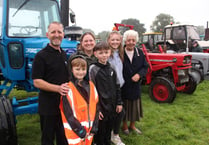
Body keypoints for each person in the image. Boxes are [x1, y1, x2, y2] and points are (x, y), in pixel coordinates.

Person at [32, 21, 69, 145]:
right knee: (48, 139)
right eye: (53, 32)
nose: (56, 35)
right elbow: (37, 81)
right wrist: (58, 88)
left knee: (63, 138)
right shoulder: (41, 56)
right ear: (47, 35)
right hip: (48, 106)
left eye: (59, 32)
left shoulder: (63, 54)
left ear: (63, 35)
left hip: (64, 106)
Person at [59, 55, 99, 145]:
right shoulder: (68, 88)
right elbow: (68, 114)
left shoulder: (91, 85)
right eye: (77, 69)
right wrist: (80, 131)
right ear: (71, 70)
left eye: (83, 69)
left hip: (89, 131)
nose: (81, 72)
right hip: (75, 133)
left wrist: (95, 126)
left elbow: (97, 107)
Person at [89, 41, 123, 145]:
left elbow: (117, 85)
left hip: (112, 106)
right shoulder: (93, 69)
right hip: (101, 107)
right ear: (95, 54)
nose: (104, 55)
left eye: (106, 52)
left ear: (110, 53)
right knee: (100, 132)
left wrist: (119, 102)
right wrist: (97, 109)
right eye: (101, 53)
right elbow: (92, 90)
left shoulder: (112, 67)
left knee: (108, 130)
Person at [121, 30, 148, 135]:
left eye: (133, 40)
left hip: (135, 85)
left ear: (136, 41)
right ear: (125, 41)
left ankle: (132, 125)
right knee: (124, 106)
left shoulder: (139, 52)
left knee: (134, 107)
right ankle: (124, 126)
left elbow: (145, 66)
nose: (131, 42)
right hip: (124, 85)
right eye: (129, 40)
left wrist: (139, 75)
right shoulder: (121, 53)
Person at [107, 31, 125, 145]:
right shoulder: (107, 54)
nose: (115, 42)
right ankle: (113, 134)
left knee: (119, 111)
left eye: (117, 40)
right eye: (113, 40)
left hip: (119, 87)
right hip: (110, 88)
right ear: (108, 40)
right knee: (118, 111)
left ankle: (114, 133)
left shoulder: (120, 54)